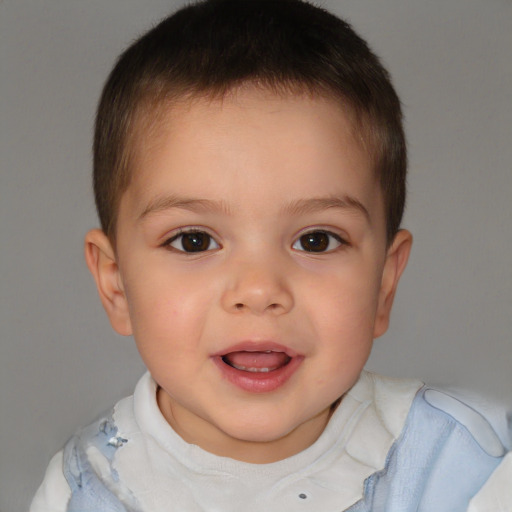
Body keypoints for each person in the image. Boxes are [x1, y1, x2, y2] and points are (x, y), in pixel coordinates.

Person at [30, 1, 511, 510]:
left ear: (385, 284)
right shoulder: (83, 487)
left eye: (316, 240)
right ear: (116, 284)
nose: (259, 290)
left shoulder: (468, 466)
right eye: (194, 240)